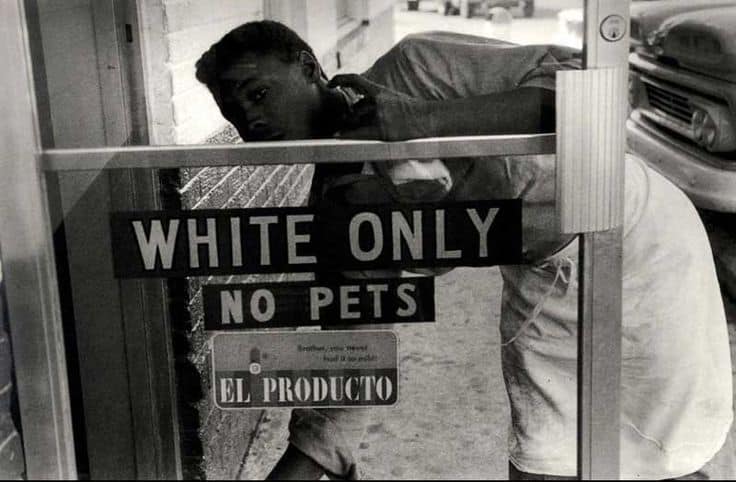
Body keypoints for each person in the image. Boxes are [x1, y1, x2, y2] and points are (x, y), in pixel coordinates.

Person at [195, 21, 735, 480]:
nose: (250, 122)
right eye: (233, 111)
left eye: (258, 93)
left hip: (636, 239)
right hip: (545, 276)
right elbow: (352, 345)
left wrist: (426, 121)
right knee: (544, 462)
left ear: (310, 67)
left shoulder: (413, 66)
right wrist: (302, 467)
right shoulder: (338, 204)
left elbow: (590, 96)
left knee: (670, 446)